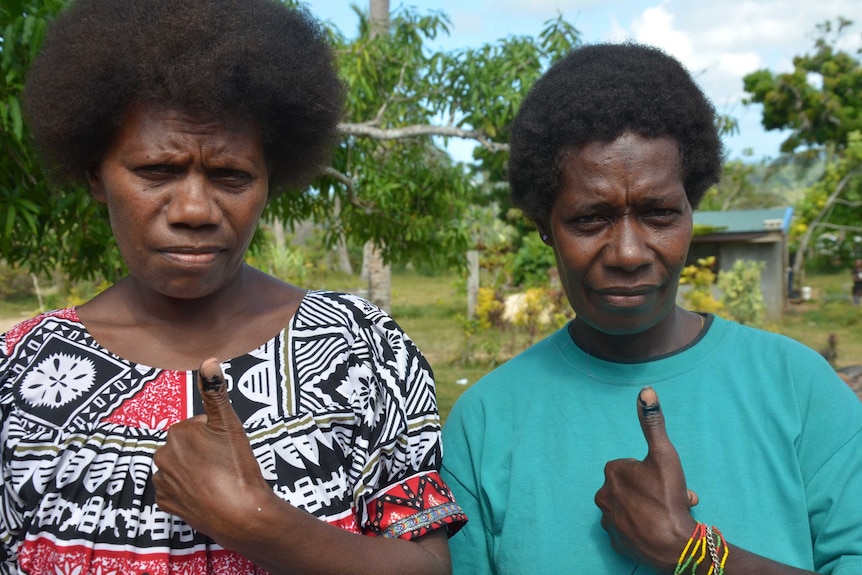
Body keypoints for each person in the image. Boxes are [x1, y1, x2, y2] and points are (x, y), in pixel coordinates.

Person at [0, 1, 465, 573]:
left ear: (271, 179)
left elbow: (428, 566)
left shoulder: (361, 347)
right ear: (97, 175)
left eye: (231, 176)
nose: (195, 209)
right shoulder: (18, 372)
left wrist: (258, 522)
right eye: (157, 171)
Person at [441, 43, 862, 574]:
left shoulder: (800, 391)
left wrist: (697, 557)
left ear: (692, 211)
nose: (629, 253)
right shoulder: (485, 424)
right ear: (543, 225)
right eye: (590, 219)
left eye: (659, 213)